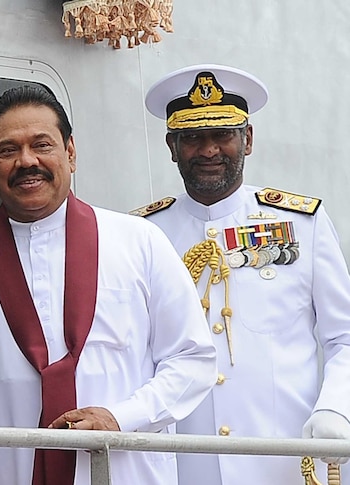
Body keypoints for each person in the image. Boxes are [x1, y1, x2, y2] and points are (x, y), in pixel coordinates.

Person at [0, 85, 217, 485]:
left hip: (123, 472)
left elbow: (193, 359)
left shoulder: (139, 241)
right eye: (8, 150)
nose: (27, 161)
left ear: (70, 152)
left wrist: (121, 416)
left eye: (42, 145)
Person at [134, 64, 350, 484]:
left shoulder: (302, 222)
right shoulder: (145, 234)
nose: (209, 150)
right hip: (185, 465)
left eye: (223, 135)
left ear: (247, 140)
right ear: (171, 146)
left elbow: (344, 336)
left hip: (285, 459)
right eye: (193, 137)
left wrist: (336, 407)